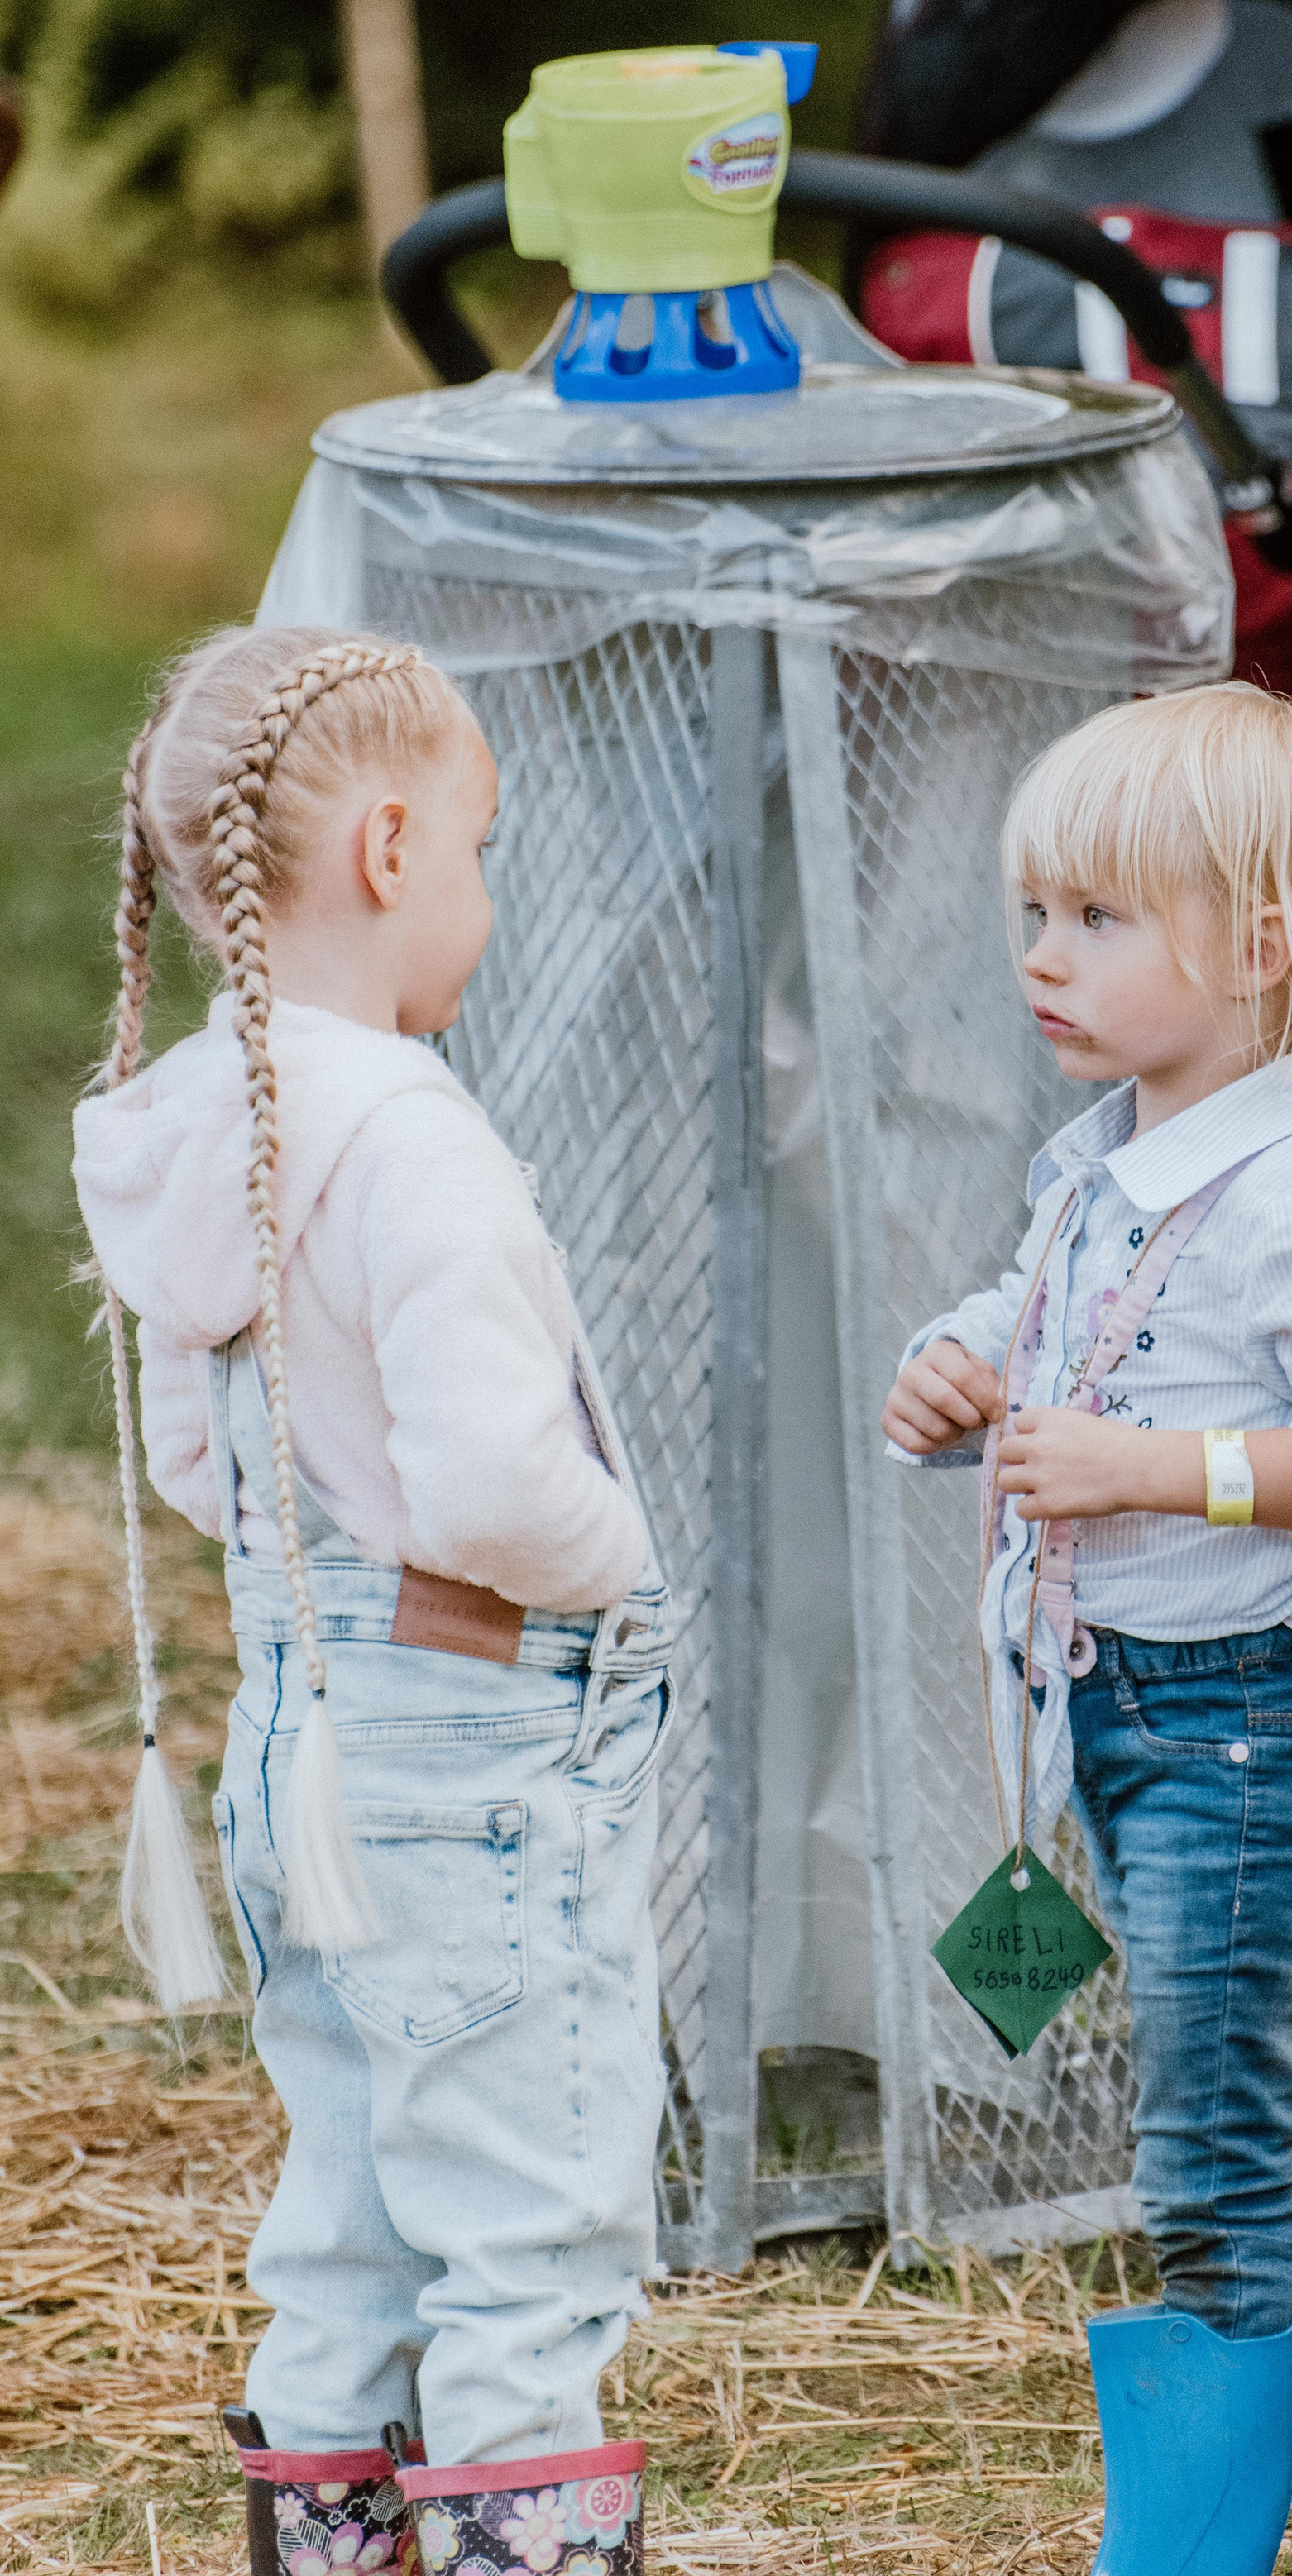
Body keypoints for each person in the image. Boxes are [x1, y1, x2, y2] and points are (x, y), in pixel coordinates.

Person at [882, 681, 1292, 2576]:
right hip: (1116, 1728)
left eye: (1095, 919)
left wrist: (1155, 1467)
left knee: (1205, 2172)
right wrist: (961, 1355)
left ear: (1257, 945)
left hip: (1240, 1737)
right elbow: (1048, 1301)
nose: (1040, 957)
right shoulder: (1102, 1157)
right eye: (1035, 914)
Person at [73, 628, 671, 2576]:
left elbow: (194, 1462)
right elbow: (494, 1480)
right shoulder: (409, 1136)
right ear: (393, 846)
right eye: (482, 851)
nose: (485, 898)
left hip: (296, 1742)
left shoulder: (205, 1126)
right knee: (523, 2222)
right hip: (477, 1749)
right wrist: (621, 1562)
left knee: (348, 2200)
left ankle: (330, 2535)